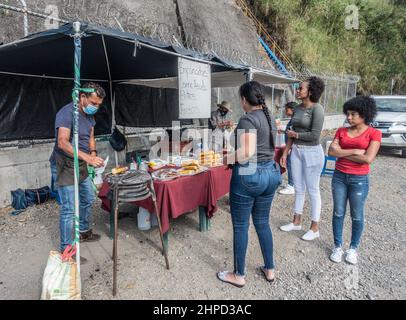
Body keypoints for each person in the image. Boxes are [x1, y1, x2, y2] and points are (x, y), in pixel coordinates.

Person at [217, 81, 281, 287]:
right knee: (262, 222)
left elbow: (246, 152)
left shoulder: (248, 119)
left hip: (249, 174)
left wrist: (226, 159)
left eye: (240, 100)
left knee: (241, 225)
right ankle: (269, 268)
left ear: (244, 100)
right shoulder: (269, 118)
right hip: (270, 173)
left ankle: (238, 275)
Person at [49, 82, 106, 259]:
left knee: (88, 196)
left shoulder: (89, 117)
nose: (95, 107)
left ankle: (82, 230)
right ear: (82, 97)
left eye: (98, 105)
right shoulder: (67, 113)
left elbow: (90, 137)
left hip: (80, 161)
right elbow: (63, 142)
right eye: (93, 103)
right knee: (69, 208)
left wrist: (94, 154)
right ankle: (67, 251)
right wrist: (88, 158)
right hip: (65, 163)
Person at [328, 96, 381, 265]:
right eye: (348, 114)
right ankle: (338, 246)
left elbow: (368, 159)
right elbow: (331, 152)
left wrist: (343, 151)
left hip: (359, 179)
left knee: (357, 215)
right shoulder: (341, 131)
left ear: (364, 114)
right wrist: (356, 151)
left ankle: (352, 248)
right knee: (338, 213)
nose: (349, 117)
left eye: (353, 114)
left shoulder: (374, 133)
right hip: (339, 177)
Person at [280, 77, 326, 241]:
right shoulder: (298, 108)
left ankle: (314, 228)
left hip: (312, 151)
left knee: (313, 190)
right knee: (299, 188)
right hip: (297, 151)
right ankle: (296, 222)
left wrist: (296, 135)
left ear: (311, 91)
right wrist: (286, 152)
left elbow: (315, 135)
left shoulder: (317, 109)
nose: (298, 90)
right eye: (298, 88)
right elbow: (291, 131)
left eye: (300, 88)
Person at [278, 102, 298, 195]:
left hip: (292, 147)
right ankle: (294, 184)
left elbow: (293, 134)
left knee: (291, 166)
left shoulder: (294, 120)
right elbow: (289, 132)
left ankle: (291, 186)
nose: (285, 111)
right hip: (290, 147)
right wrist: (283, 131)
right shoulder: (293, 119)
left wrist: (289, 148)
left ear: (293, 110)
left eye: (287, 109)